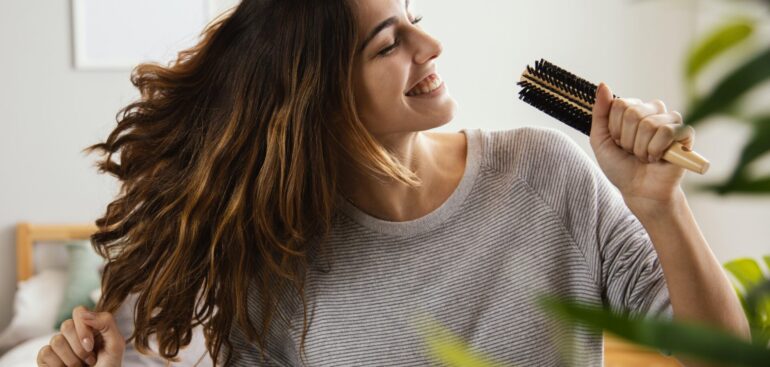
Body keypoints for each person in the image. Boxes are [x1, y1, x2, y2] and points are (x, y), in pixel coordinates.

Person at [36, 0, 750, 366]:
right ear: (316, 98)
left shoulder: (550, 173)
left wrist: (660, 204)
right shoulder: (276, 262)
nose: (430, 46)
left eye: (414, 16)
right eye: (388, 43)